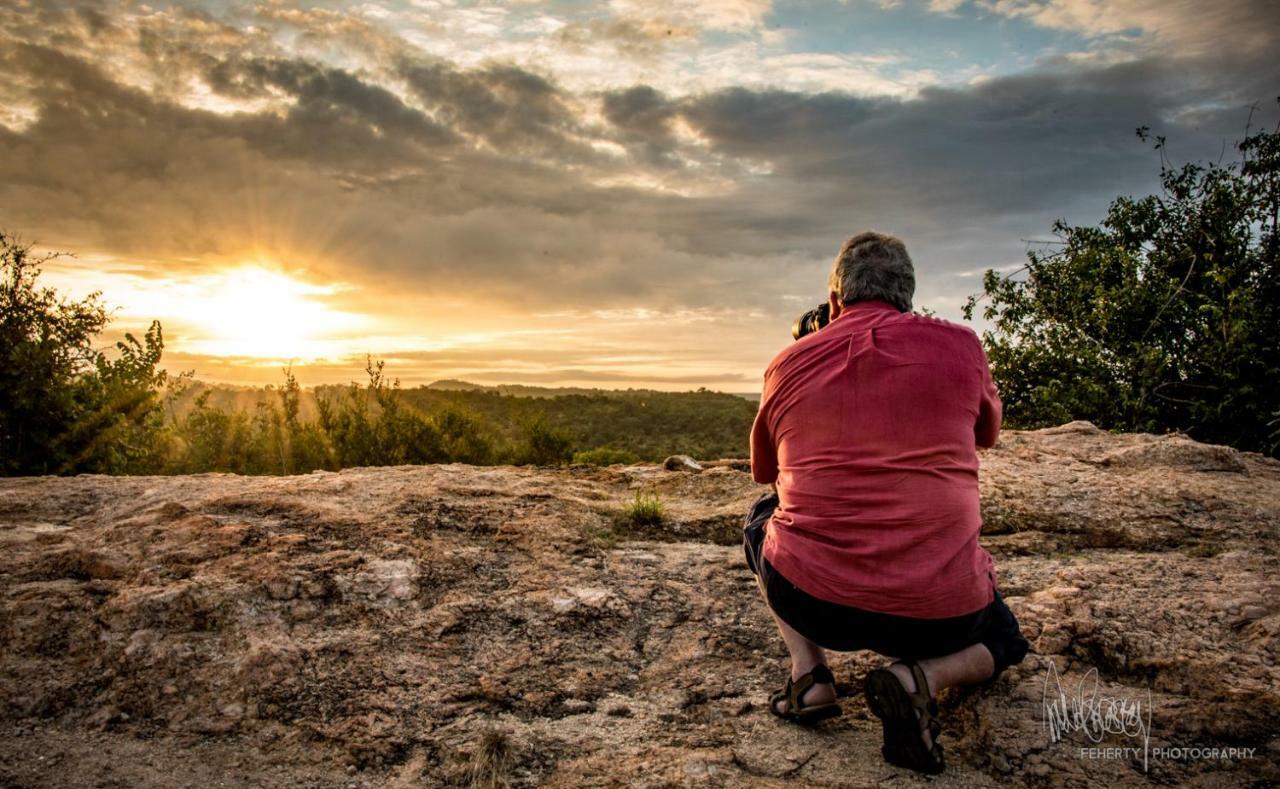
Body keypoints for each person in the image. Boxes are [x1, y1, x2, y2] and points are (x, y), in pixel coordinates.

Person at [743, 231, 1028, 775]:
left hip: (814, 602)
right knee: (1005, 637)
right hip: (942, 617)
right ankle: (920, 678)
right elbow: (987, 433)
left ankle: (810, 675)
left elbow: (766, 476)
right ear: (909, 297)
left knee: (762, 518)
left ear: (834, 301)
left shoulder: (787, 363)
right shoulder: (963, 346)